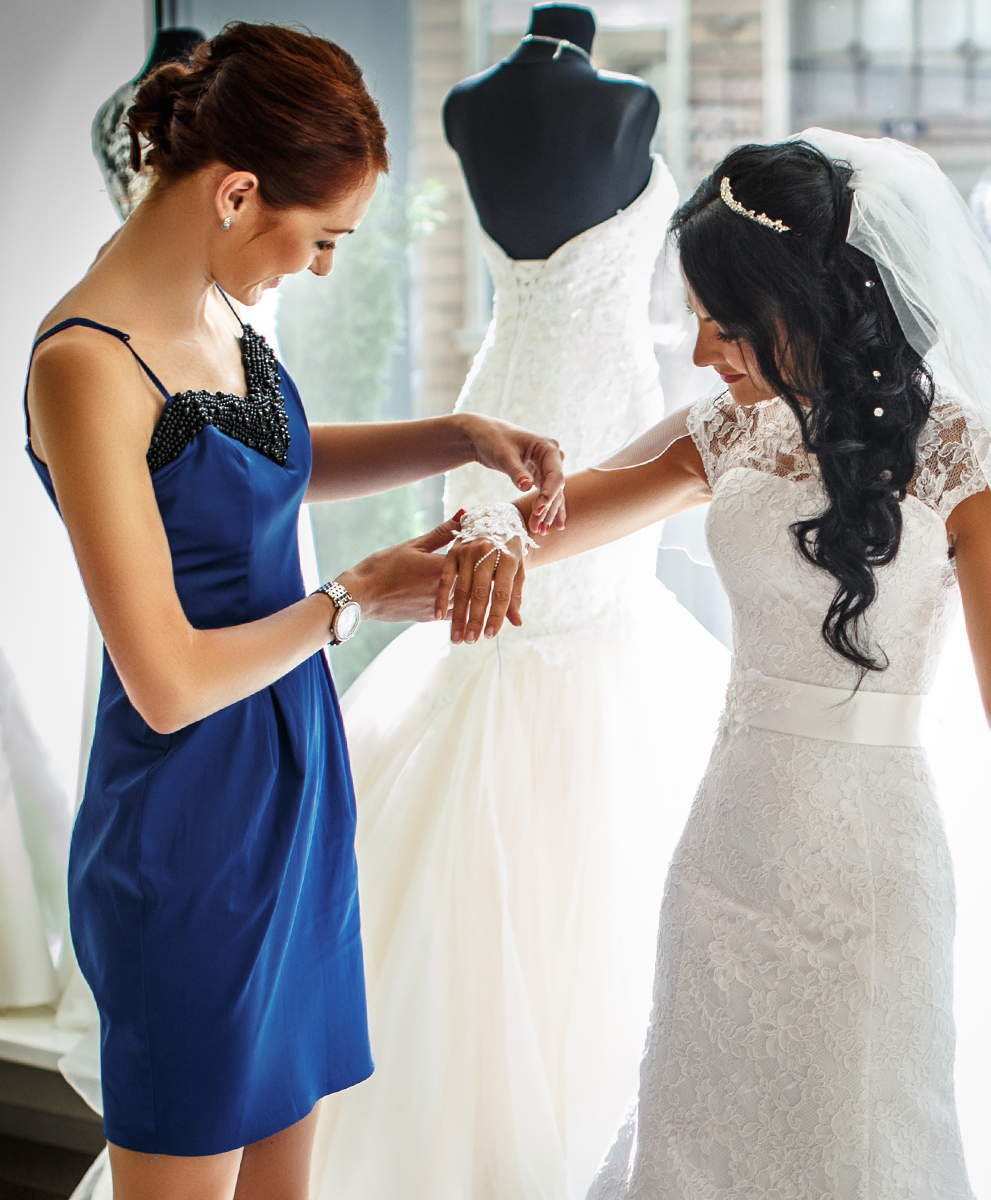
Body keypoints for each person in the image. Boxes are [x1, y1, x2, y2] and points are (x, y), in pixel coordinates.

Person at [436, 132, 991, 1197]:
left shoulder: (959, 455)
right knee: (695, 1134)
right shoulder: (726, 434)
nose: (697, 352)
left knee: (860, 1145)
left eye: (721, 325)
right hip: (730, 844)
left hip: (871, 870)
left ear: (801, 302)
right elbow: (548, 523)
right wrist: (490, 518)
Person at [21, 23, 563, 1200]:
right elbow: (163, 681)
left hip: (294, 791)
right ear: (237, 192)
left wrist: (462, 435)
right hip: (185, 825)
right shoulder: (86, 366)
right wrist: (353, 598)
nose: (322, 267)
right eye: (321, 239)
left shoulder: (223, 317)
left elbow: (268, 459)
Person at [305, 11, 727, 1198]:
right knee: (517, 651)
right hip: (537, 417)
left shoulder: (491, 106)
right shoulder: (605, 108)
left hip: (556, 398)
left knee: (576, 649)